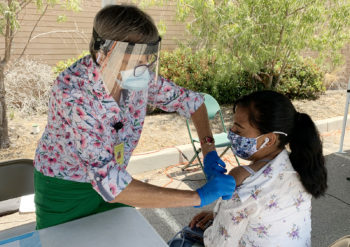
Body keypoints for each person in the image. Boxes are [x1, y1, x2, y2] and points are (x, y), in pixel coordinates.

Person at [33, 4, 236, 230]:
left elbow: (193, 102)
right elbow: (112, 185)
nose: (144, 68)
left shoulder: (136, 76)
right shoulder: (74, 94)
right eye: (136, 60)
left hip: (118, 182)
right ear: (104, 53)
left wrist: (208, 151)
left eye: (147, 59)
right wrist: (197, 197)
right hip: (66, 190)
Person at [170, 90, 328, 247]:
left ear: (269, 139)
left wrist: (215, 223)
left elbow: (220, 244)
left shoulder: (243, 181)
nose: (231, 134)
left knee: (181, 241)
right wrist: (218, 217)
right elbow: (266, 218)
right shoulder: (299, 166)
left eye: (238, 130)